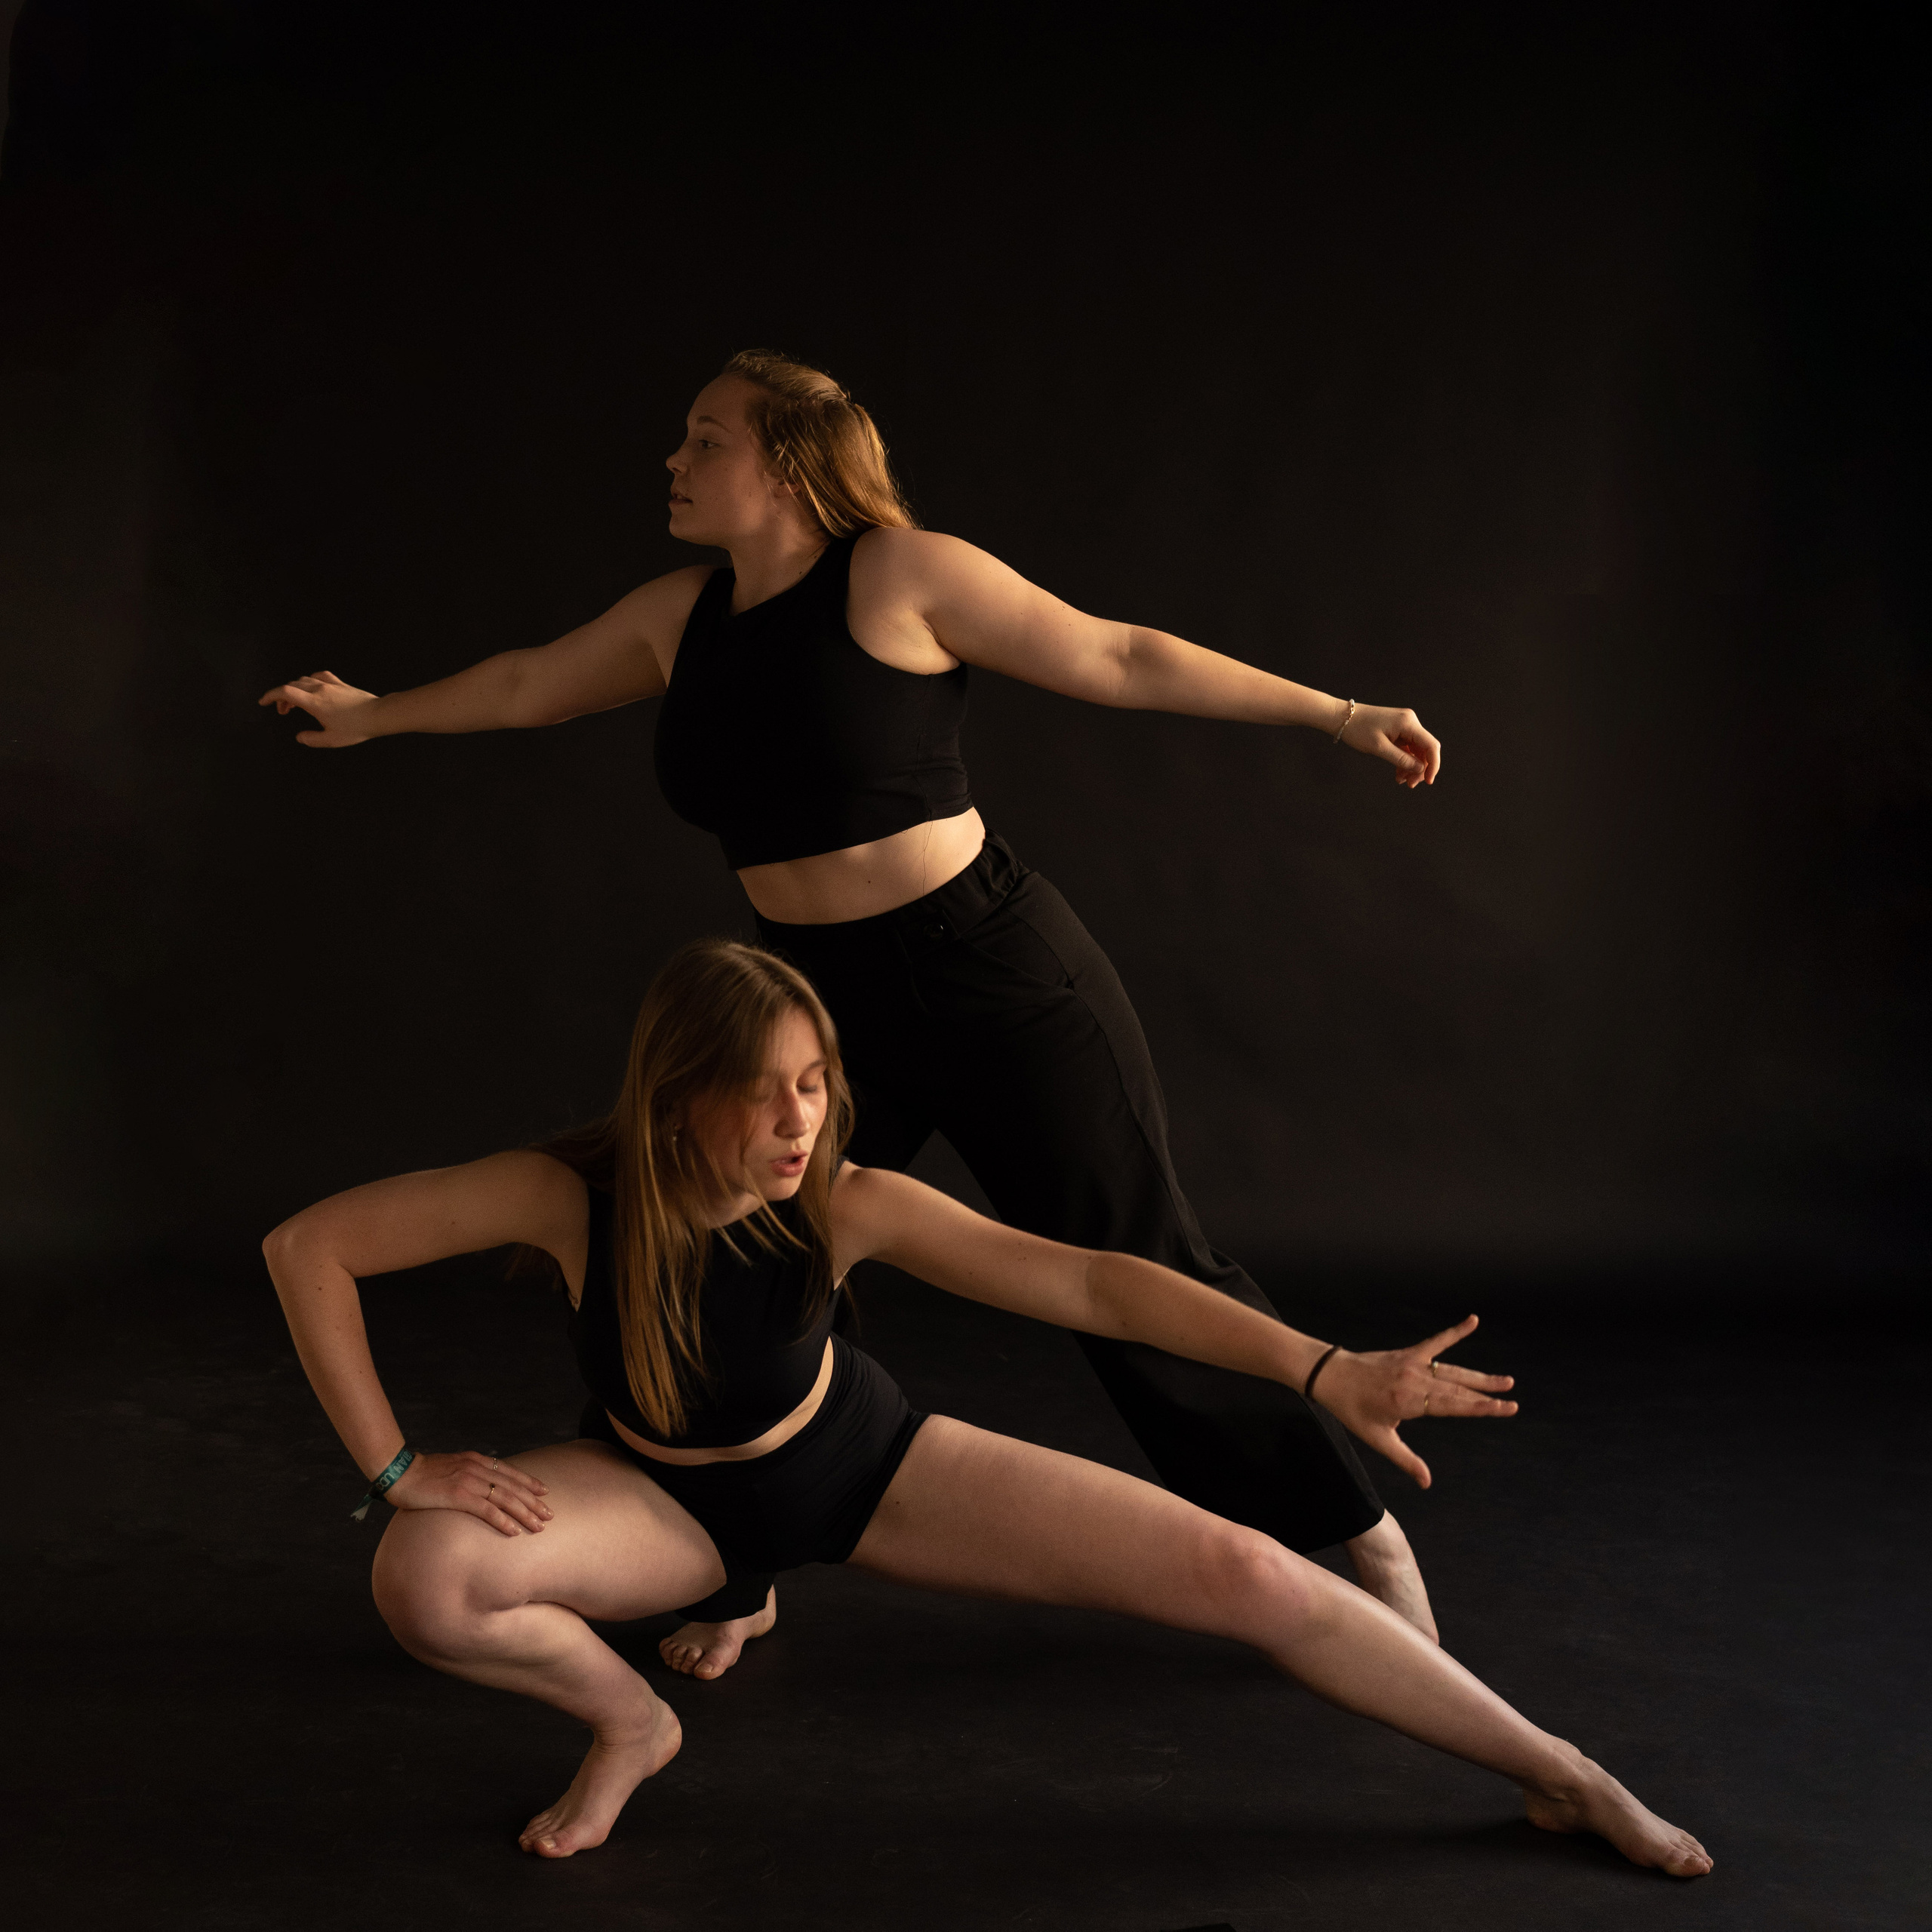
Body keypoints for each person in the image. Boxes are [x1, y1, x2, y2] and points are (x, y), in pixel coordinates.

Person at [260, 349, 1454, 1681]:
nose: (672, 460)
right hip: (816, 1015)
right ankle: (735, 1556)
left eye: (702, 439)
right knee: (714, 1250)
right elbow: (531, 681)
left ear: (782, 463)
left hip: (995, 975)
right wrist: (374, 719)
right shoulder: (680, 617)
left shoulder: (900, 574)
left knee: (1128, 1256)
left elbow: (1117, 655)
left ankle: (1356, 1529)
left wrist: (1337, 713)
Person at [262, 940, 1709, 1876]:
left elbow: (1095, 1284)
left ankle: (1563, 1775)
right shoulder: (571, 1191)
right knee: (426, 1575)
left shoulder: (846, 1204)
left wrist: (1318, 1367)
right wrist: (395, 1466)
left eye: (818, 1087)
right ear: (675, 1099)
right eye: (764, 1097)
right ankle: (632, 1720)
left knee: (1245, 1568)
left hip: (861, 1465)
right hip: (657, 1503)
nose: (800, 1125)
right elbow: (306, 1246)